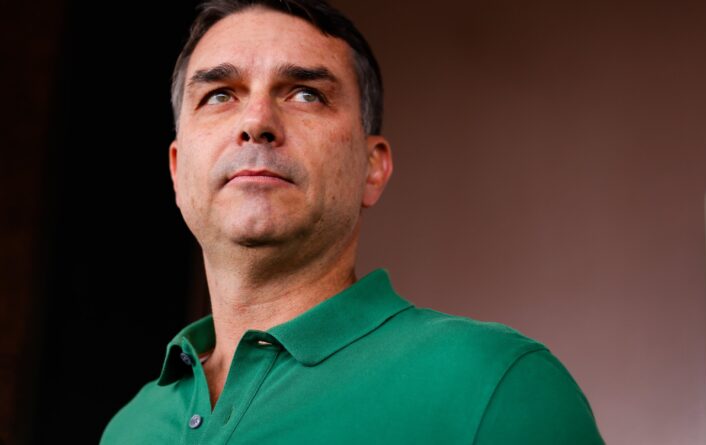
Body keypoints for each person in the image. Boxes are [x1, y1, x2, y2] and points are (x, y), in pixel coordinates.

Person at [100, 0, 604, 443]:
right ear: (176, 170)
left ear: (372, 168)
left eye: (305, 93)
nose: (256, 122)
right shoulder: (129, 429)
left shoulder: (498, 386)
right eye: (219, 95)